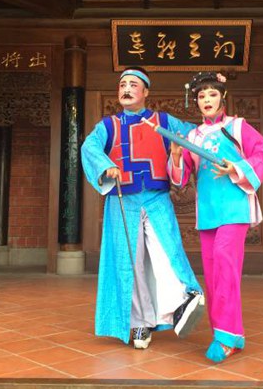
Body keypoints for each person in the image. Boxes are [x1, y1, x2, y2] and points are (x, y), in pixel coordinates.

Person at [81, 66, 204, 350]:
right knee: (130, 262)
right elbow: (89, 147)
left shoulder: (163, 121)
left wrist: (183, 151)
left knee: (166, 250)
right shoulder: (108, 125)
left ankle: (183, 300)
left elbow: (196, 137)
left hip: (157, 197)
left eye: (133, 84)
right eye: (122, 84)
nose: (126, 89)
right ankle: (140, 323)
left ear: (146, 91)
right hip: (122, 199)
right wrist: (106, 166)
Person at [168, 71, 263, 363]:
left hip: (234, 208)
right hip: (208, 212)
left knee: (226, 267)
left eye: (212, 94)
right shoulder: (193, 136)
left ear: (223, 97)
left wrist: (236, 167)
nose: (207, 100)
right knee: (213, 275)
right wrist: (176, 154)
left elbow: (262, 152)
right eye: (201, 96)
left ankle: (225, 338)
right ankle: (228, 335)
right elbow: (180, 179)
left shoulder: (237, 126)